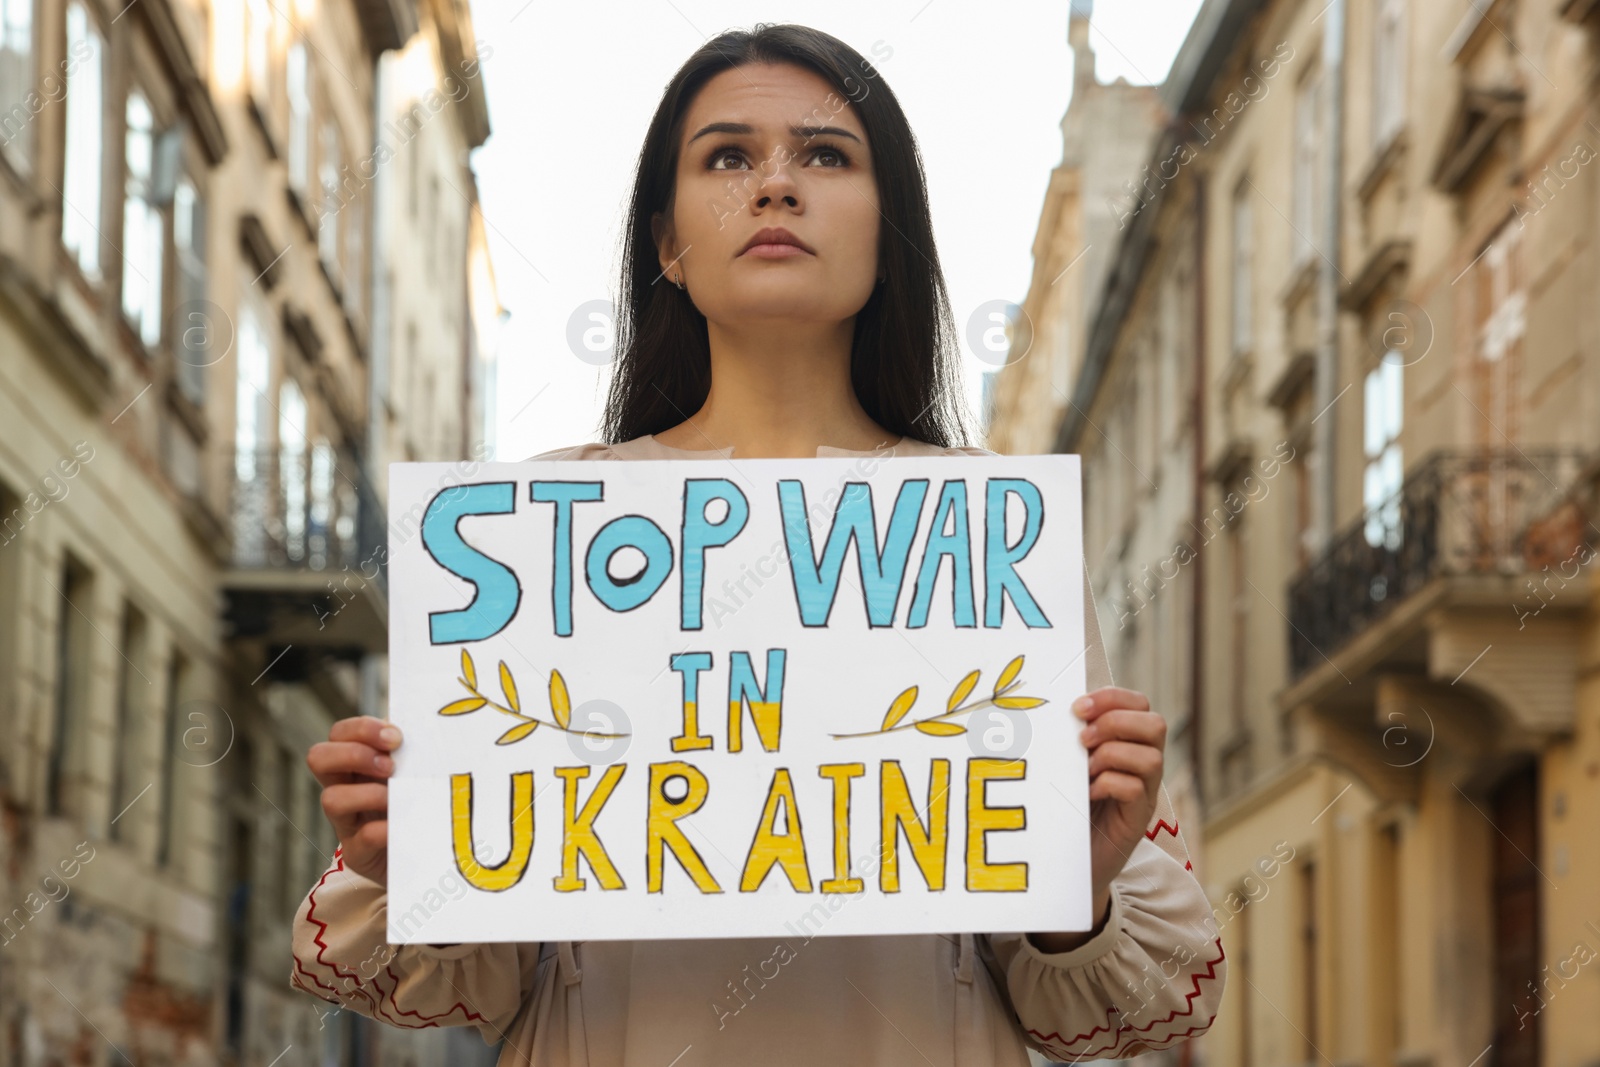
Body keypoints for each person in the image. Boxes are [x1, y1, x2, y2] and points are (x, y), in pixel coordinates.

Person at [291, 23, 1225, 1065]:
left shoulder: (980, 533)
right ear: (666, 242)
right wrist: (418, 856)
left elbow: (1112, 997)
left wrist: (1075, 881)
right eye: (727, 156)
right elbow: (484, 973)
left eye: (826, 155)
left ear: (888, 228)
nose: (775, 186)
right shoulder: (537, 533)